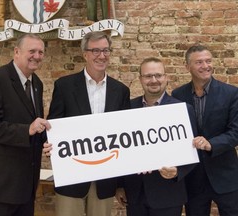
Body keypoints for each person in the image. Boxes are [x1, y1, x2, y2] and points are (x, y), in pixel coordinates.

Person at [43, 31, 130, 216]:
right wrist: (50, 145)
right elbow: (54, 126)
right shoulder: (64, 86)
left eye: (106, 50)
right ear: (85, 54)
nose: (102, 56)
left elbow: (124, 138)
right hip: (71, 175)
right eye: (96, 50)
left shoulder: (121, 91)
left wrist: (121, 184)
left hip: (105, 178)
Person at [0, 33, 51, 216]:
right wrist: (27, 130)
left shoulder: (37, 83)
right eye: (32, 51)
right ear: (16, 52)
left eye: (41, 52)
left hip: (25, 188)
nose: (37, 56)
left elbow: (33, 126)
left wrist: (47, 141)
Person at [115, 57, 198, 216]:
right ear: (140, 79)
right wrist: (120, 185)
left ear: (166, 78)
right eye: (148, 76)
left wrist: (177, 171)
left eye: (158, 75)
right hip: (134, 194)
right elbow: (120, 149)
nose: (153, 80)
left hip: (168, 194)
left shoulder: (182, 110)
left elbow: (194, 151)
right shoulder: (127, 108)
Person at [172, 44, 238, 216]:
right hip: (193, 179)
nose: (206, 66)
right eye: (199, 62)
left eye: (208, 61)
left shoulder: (231, 94)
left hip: (226, 176)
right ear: (187, 67)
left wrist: (211, 144)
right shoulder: (178, 95)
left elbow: (235, 132)